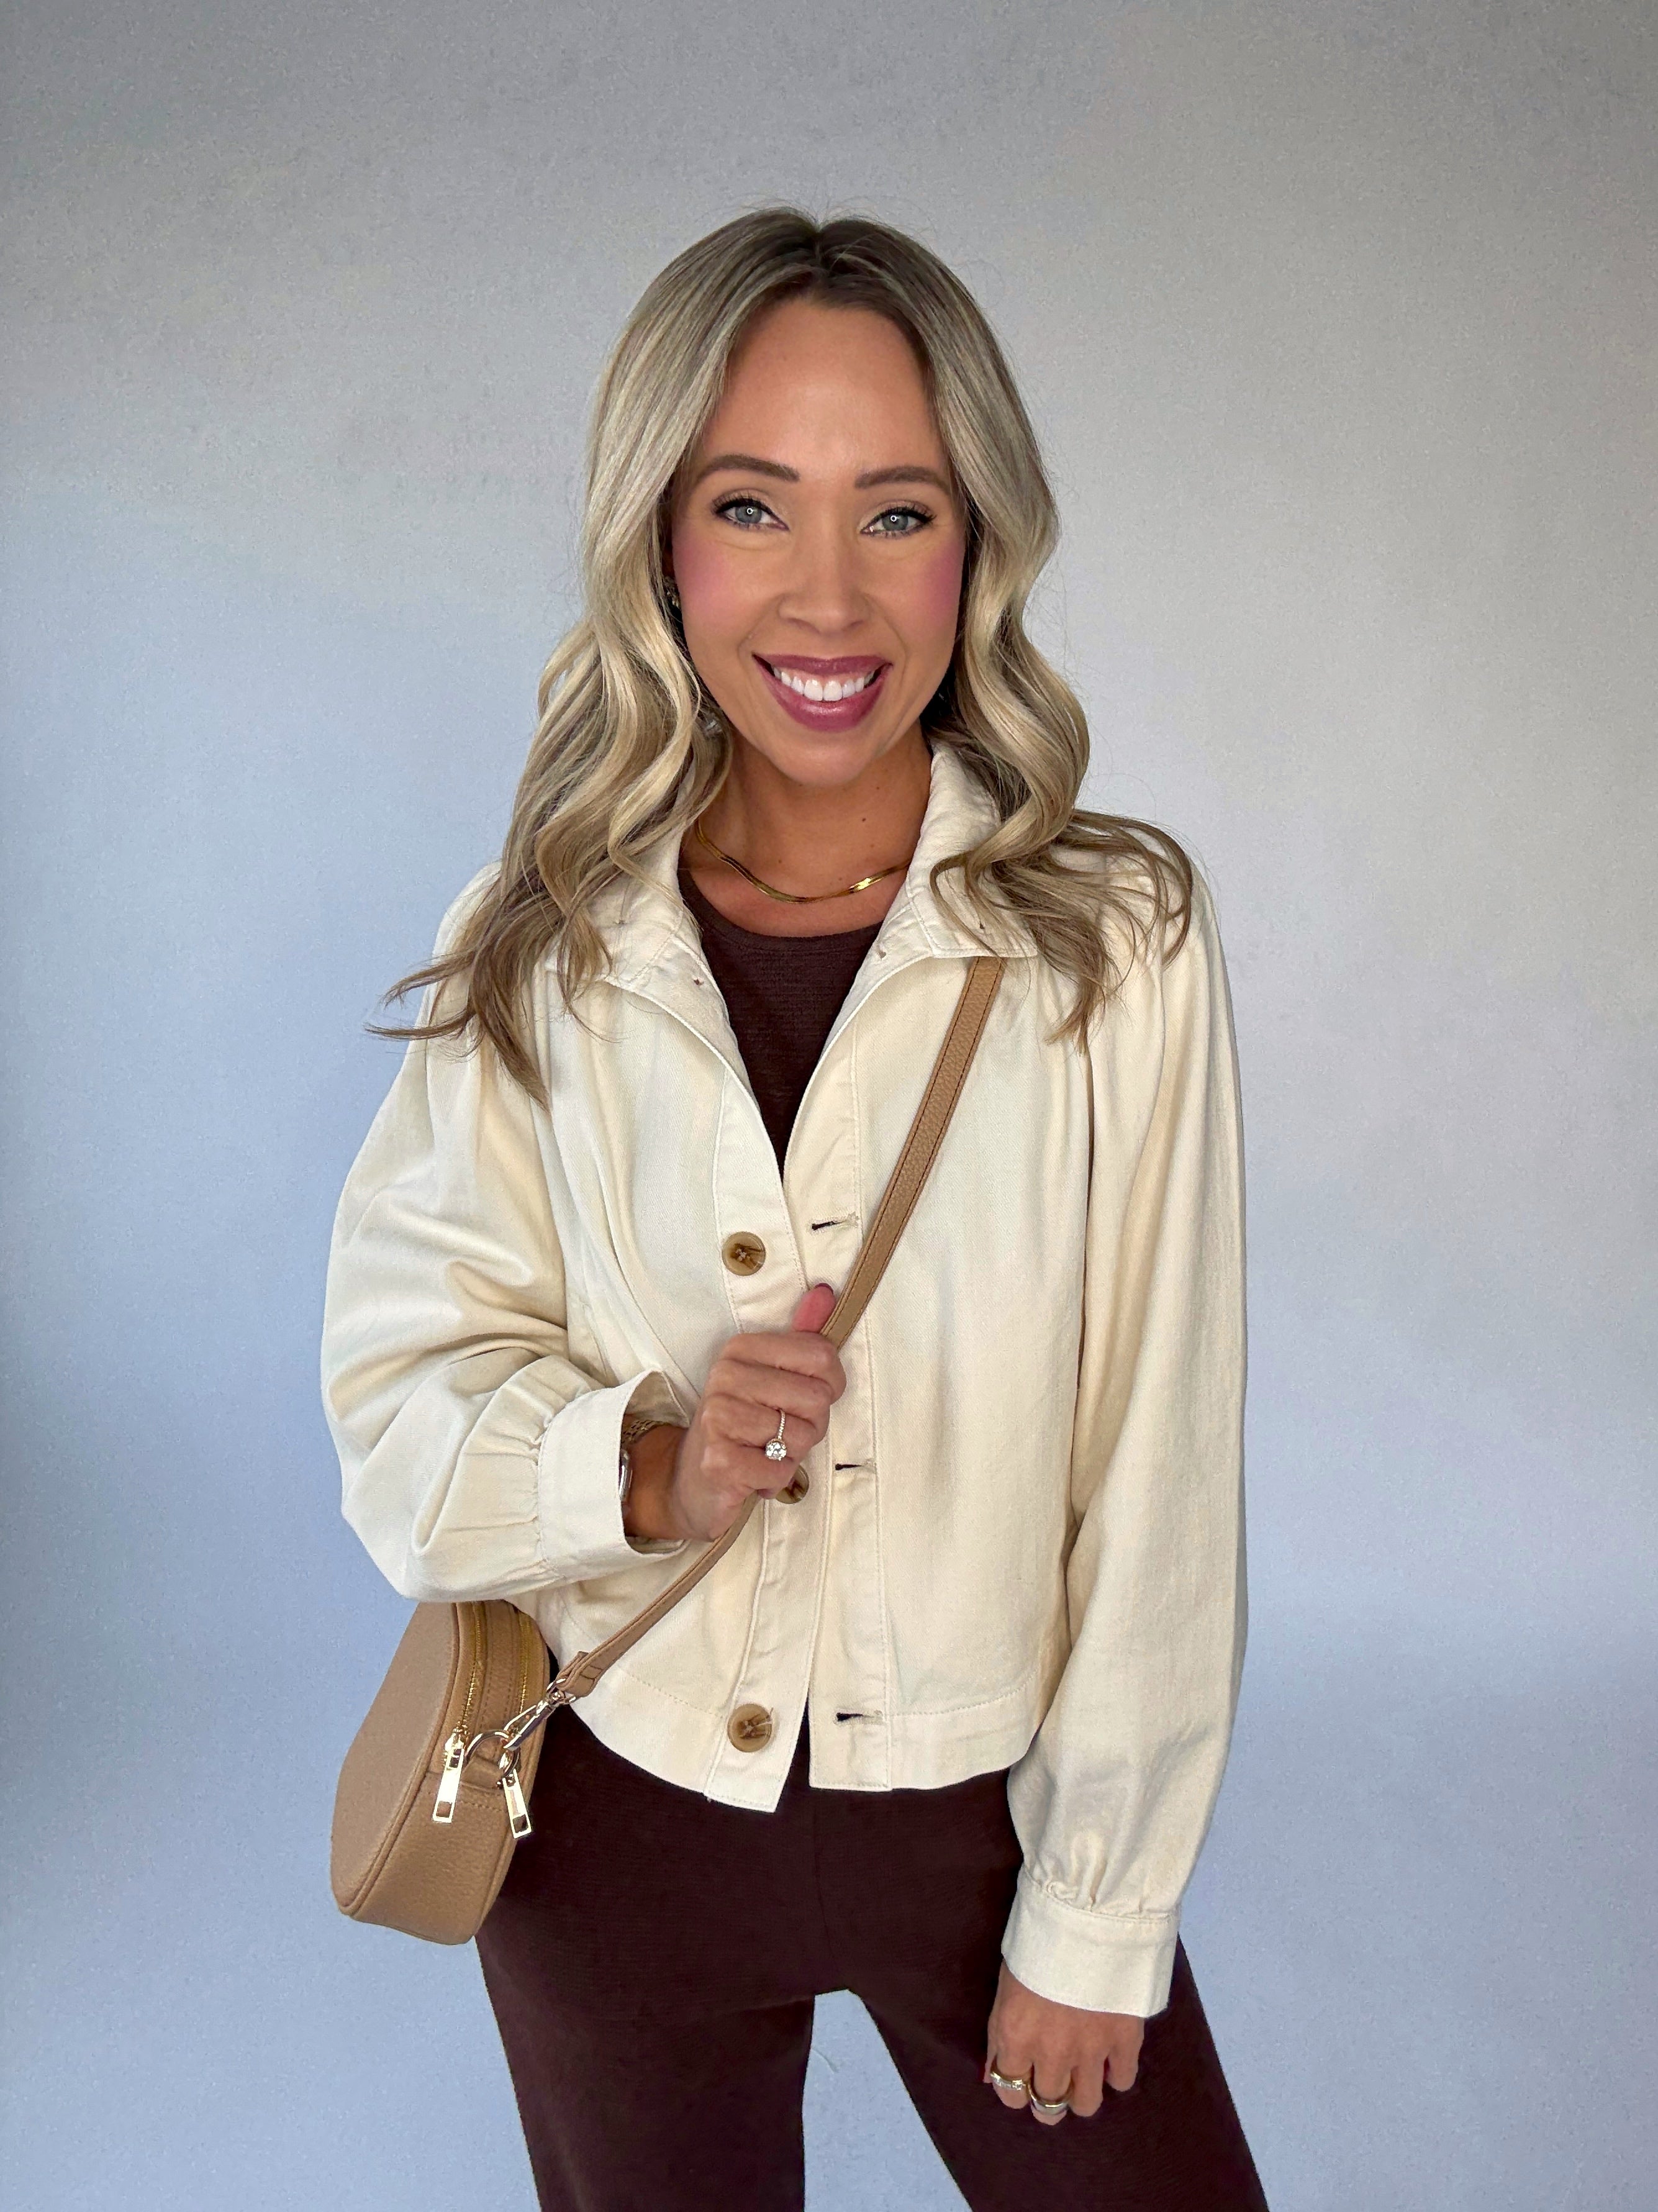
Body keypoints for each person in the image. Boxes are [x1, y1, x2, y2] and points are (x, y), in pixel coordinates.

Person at [321, 207, 1267, 2211]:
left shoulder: (1114, 941)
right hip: (616, 1816)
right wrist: (647, 1464)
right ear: (660, 542)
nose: (828, 594)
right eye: (751, 505)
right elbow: (397, 1403)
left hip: (982, 1826)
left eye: (896, 511)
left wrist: (1100, 1909)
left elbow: (1162, 1462)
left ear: (977, 542)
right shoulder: (540, 944)